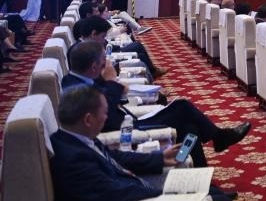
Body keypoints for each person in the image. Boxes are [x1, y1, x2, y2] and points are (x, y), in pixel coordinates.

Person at [62, 40, 251, 167]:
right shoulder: (74, 87)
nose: (107, 65)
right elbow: (105, 108)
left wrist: (110, 83)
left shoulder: (84, 77)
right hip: (124, 130)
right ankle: (219, 137)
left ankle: (203, 176)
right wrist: (111, 81)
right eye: (104, 63)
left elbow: (115, 96)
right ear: (94, 67)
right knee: (183, 106)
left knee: (190, 130)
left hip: (126, 119)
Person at [51, 85, 235, 201]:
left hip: (132, 185)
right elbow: (113, 193)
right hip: (134, 195)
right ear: (88, 119)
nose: (107, 118)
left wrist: (160, 158)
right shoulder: (72, 159)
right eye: (105, 113)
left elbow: (115, 157)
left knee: (210, 189)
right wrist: (168, 194)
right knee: (219, 200)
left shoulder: (77, 137)